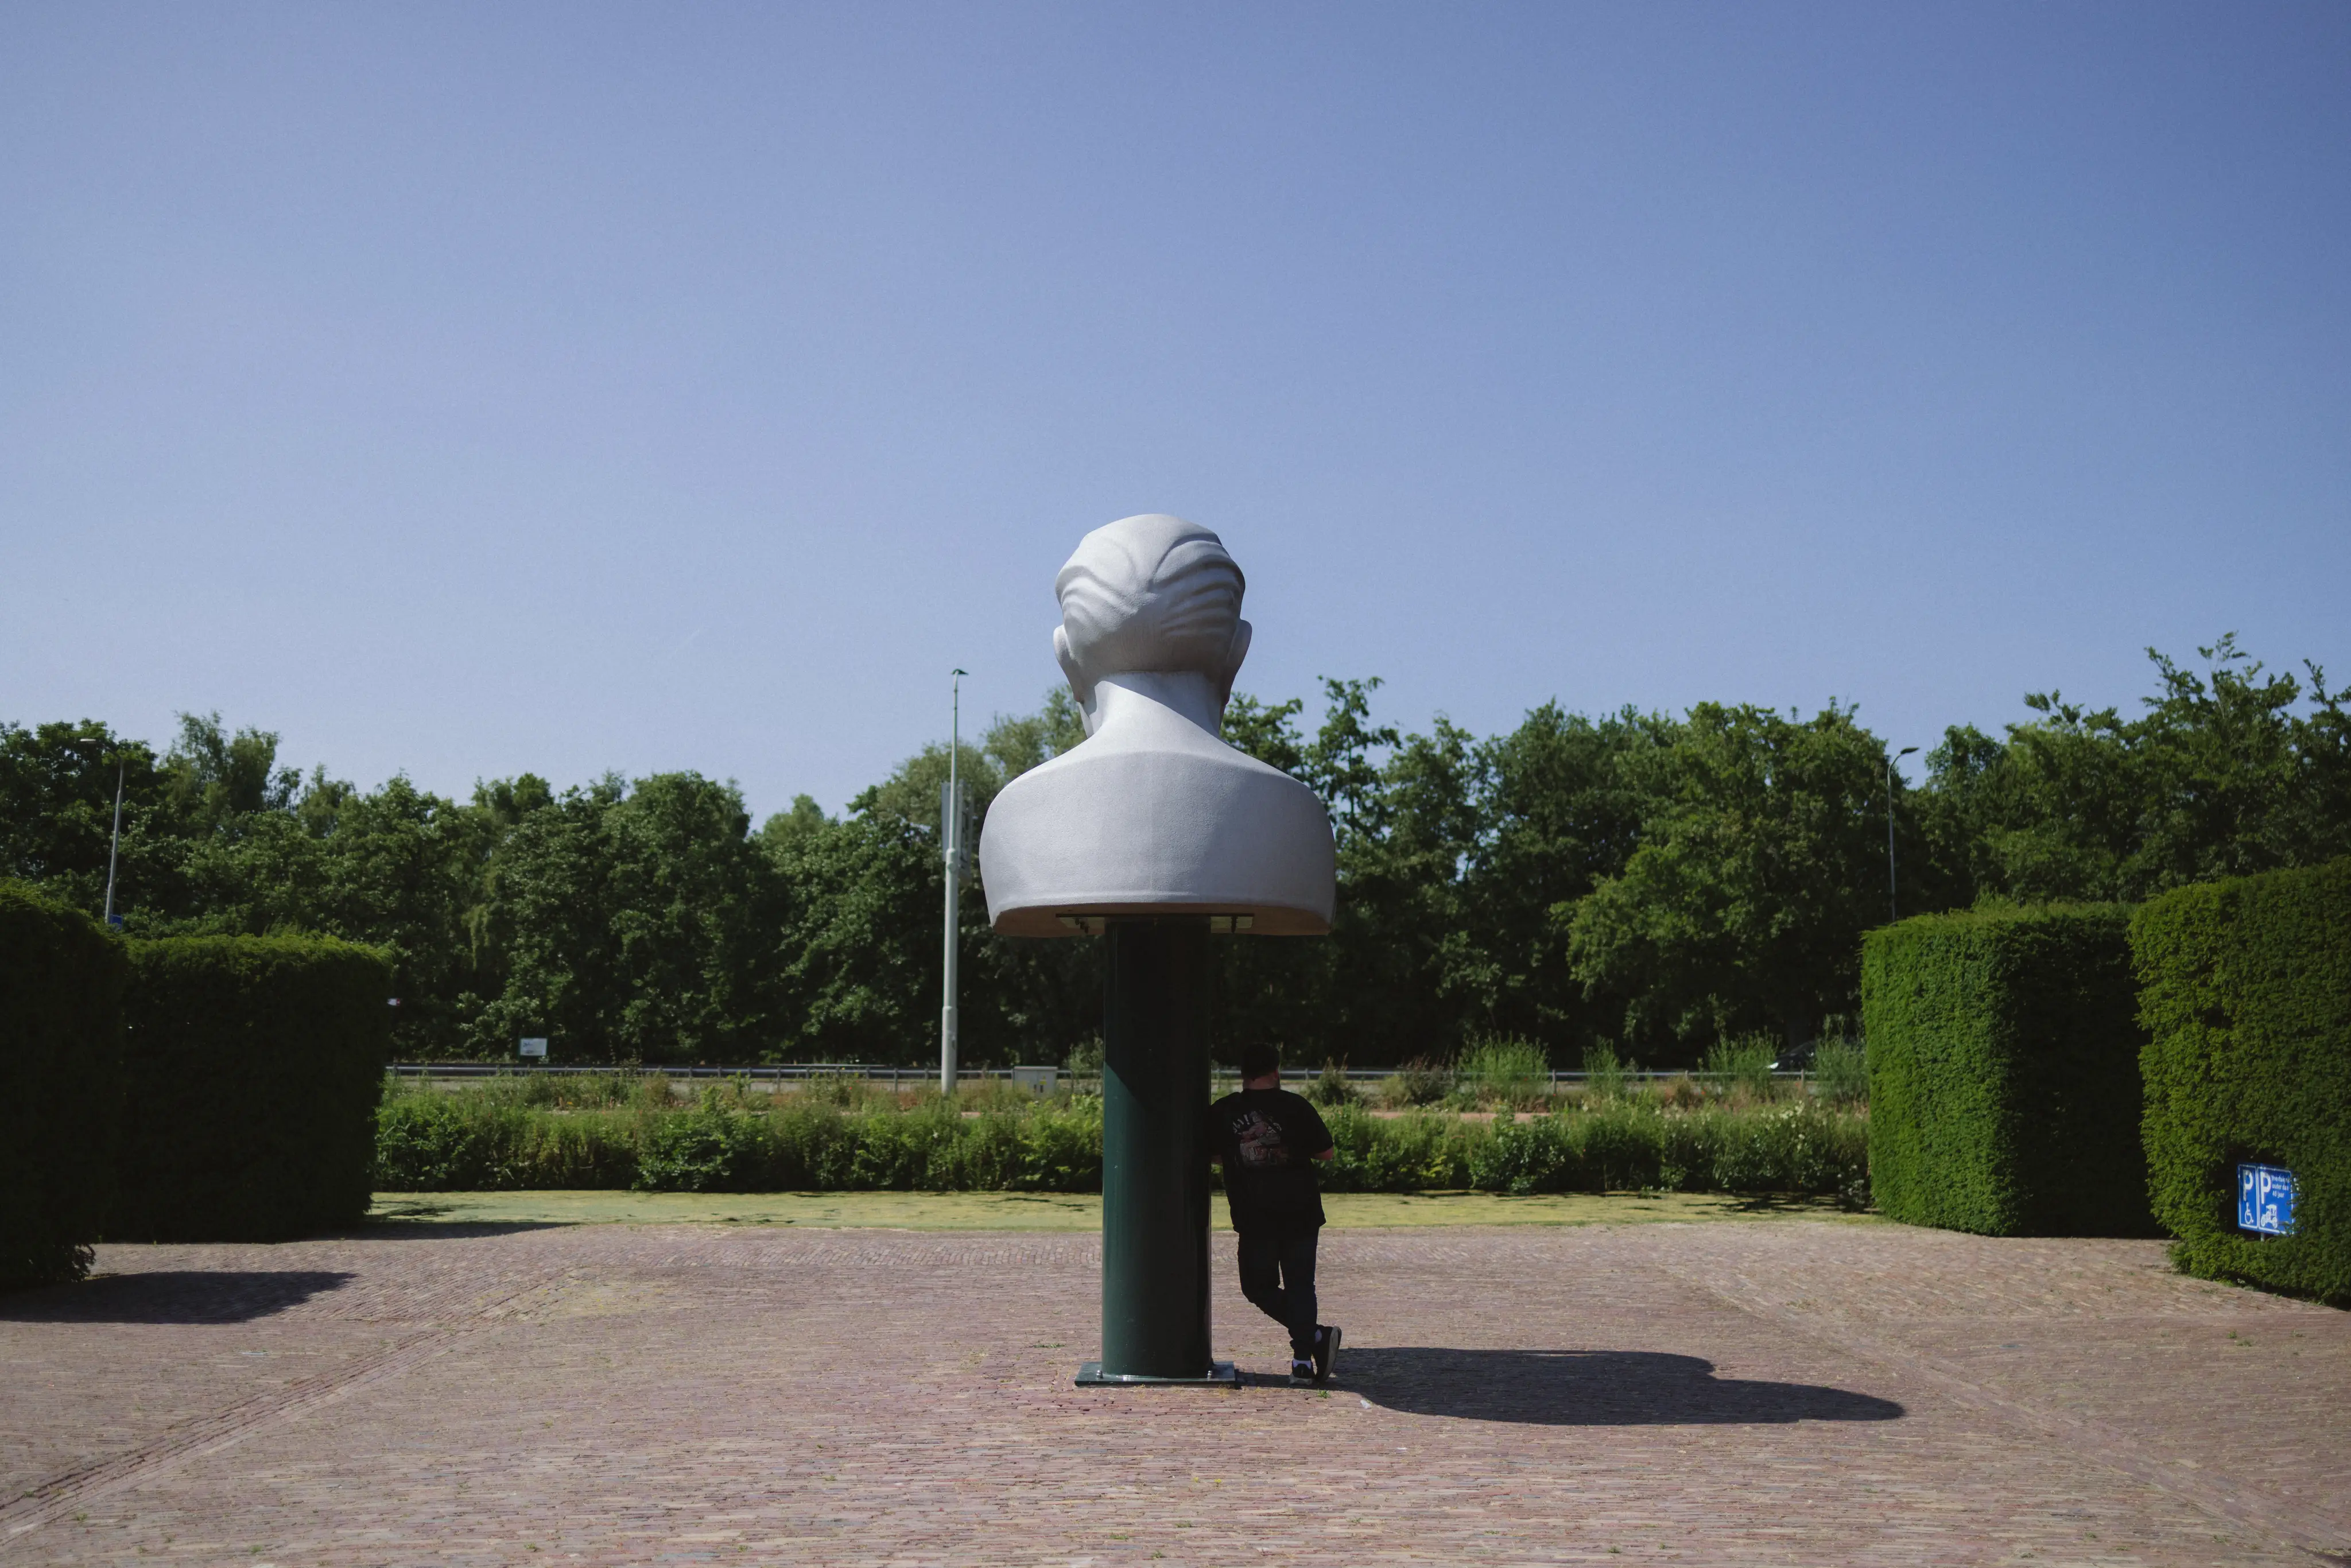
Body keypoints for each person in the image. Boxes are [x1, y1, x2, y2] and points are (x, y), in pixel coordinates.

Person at [1208, 1043, 1340, 1385]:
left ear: (1242, 1074)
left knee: (1257, 1287)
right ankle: (1304, 1356)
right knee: (1300, 1286)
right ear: (1276, 1071)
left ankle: (1311, 1344)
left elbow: (1215, 1156)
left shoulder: (1224, 1111)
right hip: (1301, 1213)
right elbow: (1326, 1153)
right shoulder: (1296, 1106)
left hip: (1254, 1217)